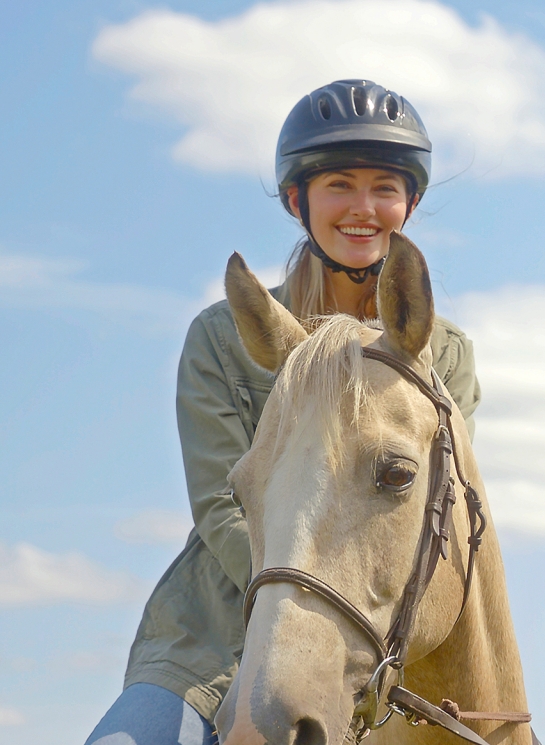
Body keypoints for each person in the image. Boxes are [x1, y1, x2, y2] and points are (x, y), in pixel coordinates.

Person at [85, 80, 481, 745]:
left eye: (384, 187)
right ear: (298, 199)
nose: (363, 208)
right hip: (211, 644)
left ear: (409, 203)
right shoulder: (223, 335)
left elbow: (439, 520)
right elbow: (220, 506)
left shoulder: (445, 353)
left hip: (373, 644)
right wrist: (296, 620)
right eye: (339, 186)